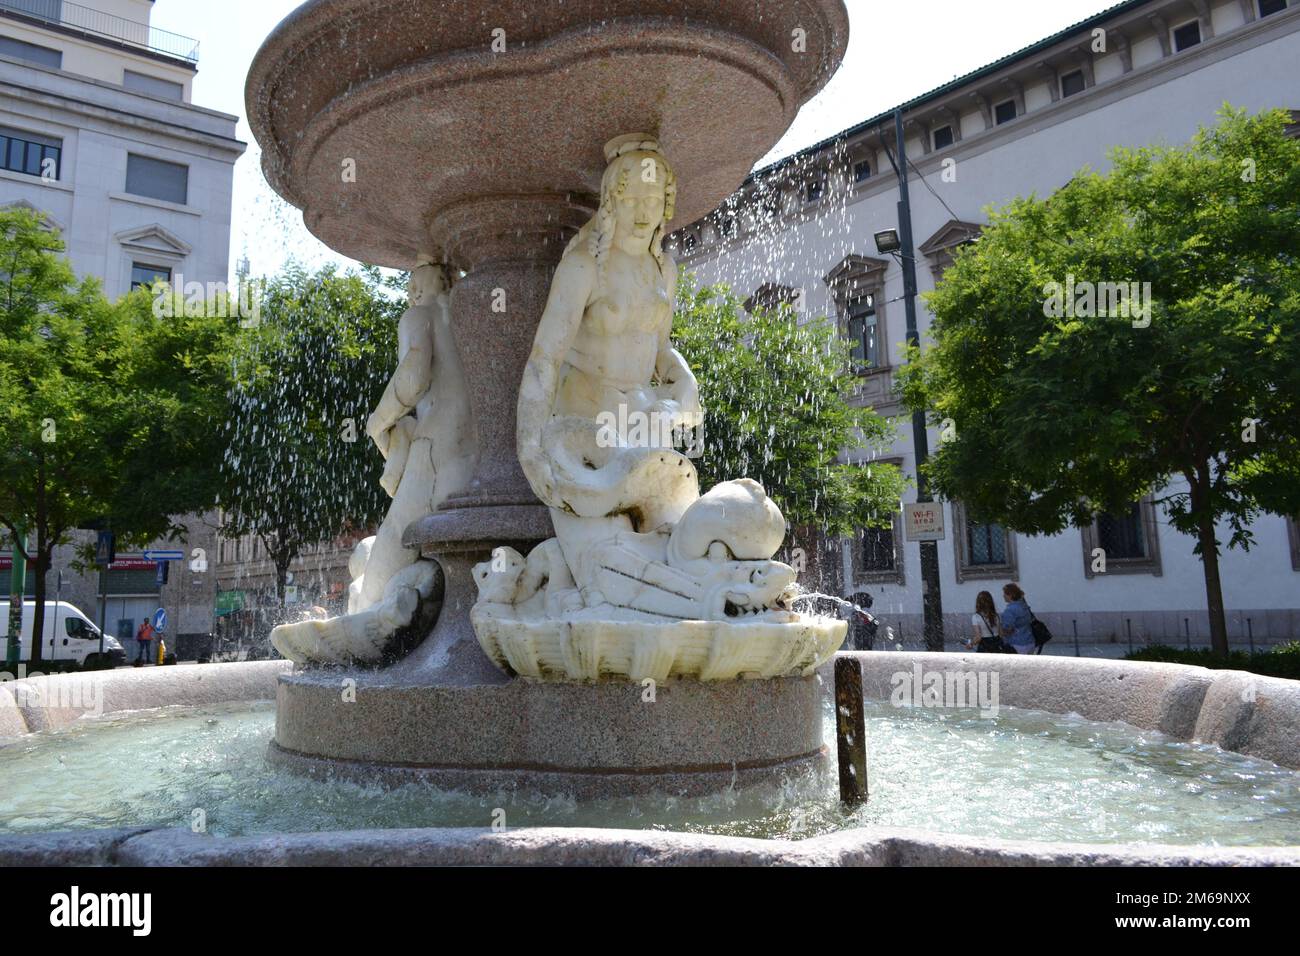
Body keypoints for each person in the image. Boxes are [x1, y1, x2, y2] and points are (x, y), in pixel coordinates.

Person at [1000, 582, 1036, 654]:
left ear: (1010, 595)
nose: (1003, 596)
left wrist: (1000, 630)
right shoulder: (1024, 606)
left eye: (1005, 594)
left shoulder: (1010, 610)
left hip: (1016, 644)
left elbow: (1008, 629)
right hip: (1030, 641)